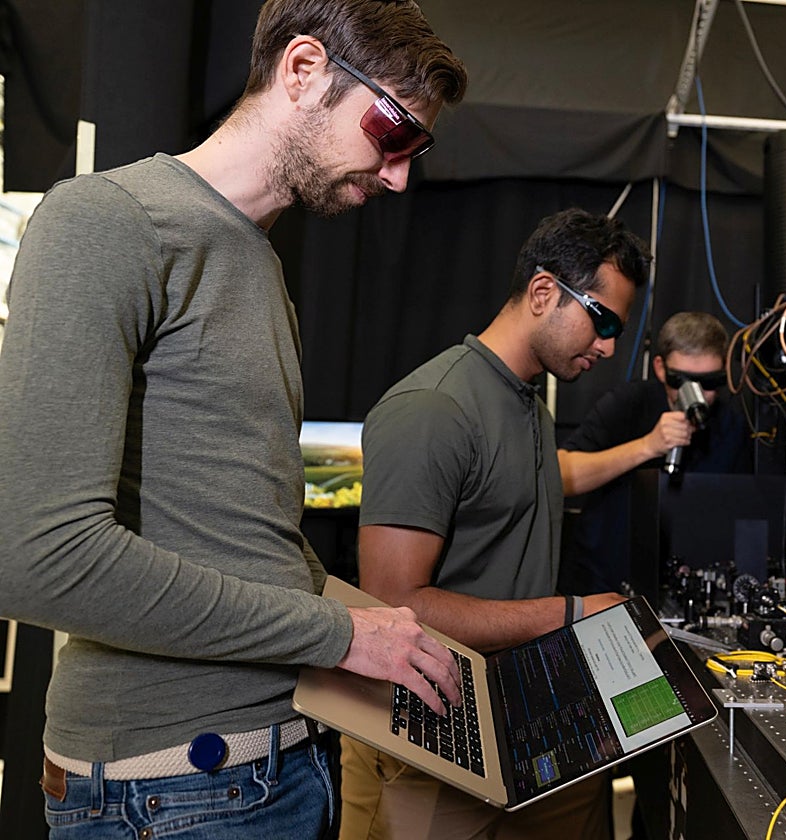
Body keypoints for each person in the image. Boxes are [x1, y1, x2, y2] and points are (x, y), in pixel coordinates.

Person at [0, 3, 468, 838]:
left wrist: (378, 628)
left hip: (279, 763)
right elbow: (38, 560)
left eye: (414, 150)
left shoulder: (256, 261)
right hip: (175, 794)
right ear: (302, 70)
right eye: (393, 131)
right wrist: (336, 631)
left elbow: (238, 541)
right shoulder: (107, 222)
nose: (398, 175)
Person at [338, 207, 651, 840]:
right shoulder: (433, 408)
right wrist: (570, 614)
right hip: (424, 746)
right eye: (604, 321)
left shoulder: (528, 405)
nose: (611, 346)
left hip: (503, 728)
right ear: (543, 292)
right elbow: (393, 605)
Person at [556, 311, 755, 595]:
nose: (697, 392)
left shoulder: (731, 425)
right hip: (602, 582)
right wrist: (647, 446)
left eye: (709, 382)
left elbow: (742, 515)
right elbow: (560, 475)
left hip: (688, 588)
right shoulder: (628, 404)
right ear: (661, 368)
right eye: (682, 379)